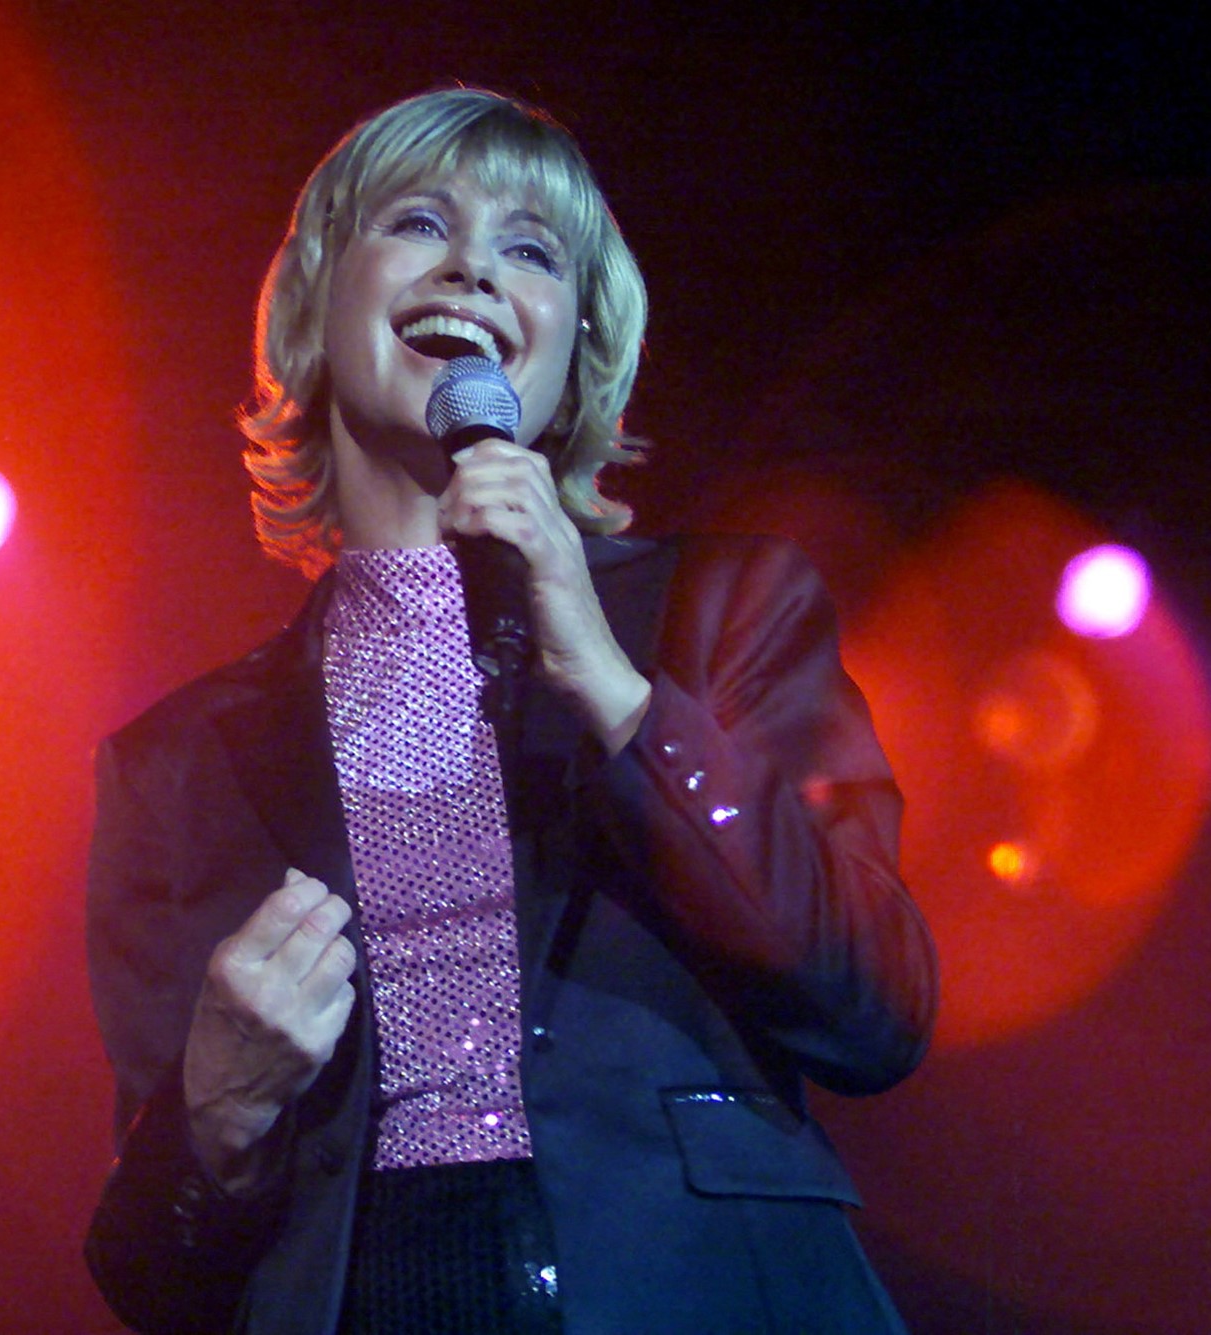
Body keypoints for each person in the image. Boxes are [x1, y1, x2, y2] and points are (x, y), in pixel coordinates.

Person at [83, 87, 938, 1335]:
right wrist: (216, 1108)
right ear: (320, 300)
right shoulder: (177, 763)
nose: (474, 266)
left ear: (570, 351)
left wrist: (611, 686)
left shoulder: (718, 611)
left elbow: (873, 1008)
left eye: (530, 251)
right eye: (417, 223)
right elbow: (149, 1277)